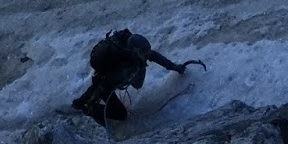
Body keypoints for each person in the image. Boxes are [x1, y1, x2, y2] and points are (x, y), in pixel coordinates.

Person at [72, 28, 205, 126]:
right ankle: (91, 110)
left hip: (105, 81)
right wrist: (89, 102)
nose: (145, 56)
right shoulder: (124, 67)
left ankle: (80, 104)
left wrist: (176, 67)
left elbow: (154, 56)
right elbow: (107, 86)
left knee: (100, 91)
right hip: (105, 87)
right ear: (135, 52)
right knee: (121, 115)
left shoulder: (134, 55)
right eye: (143, 54)